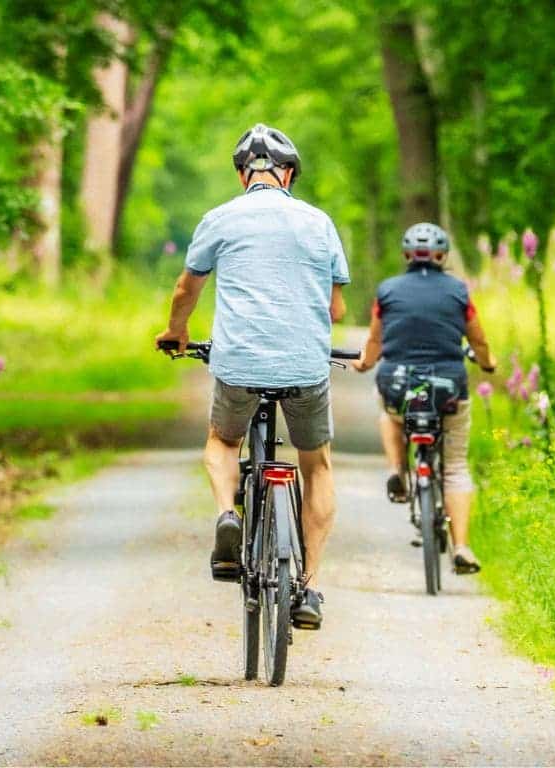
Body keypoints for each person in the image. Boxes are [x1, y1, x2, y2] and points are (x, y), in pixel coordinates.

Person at [155, 123, 350, 628]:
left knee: (222, 441)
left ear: (245, 175)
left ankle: (227, 514)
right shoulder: (318, 222)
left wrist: (177, 332)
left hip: (238, 362)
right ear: (288, 174)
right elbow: (337, 306)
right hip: (306, 365)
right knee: (318, 465)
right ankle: (309, 589)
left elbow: (185, 289)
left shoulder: (220, 218)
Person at [351, 222, 495, 574]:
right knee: (457, 467)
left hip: (399, 384)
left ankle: (397, 469)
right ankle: (461, 546)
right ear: (442, 256)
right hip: (448, 387)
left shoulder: (387, 291)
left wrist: (365, 363)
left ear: (406, 255)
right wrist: (488, 364)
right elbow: (478, 340)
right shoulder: (459, 292)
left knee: (389, 412)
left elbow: (375, 341)